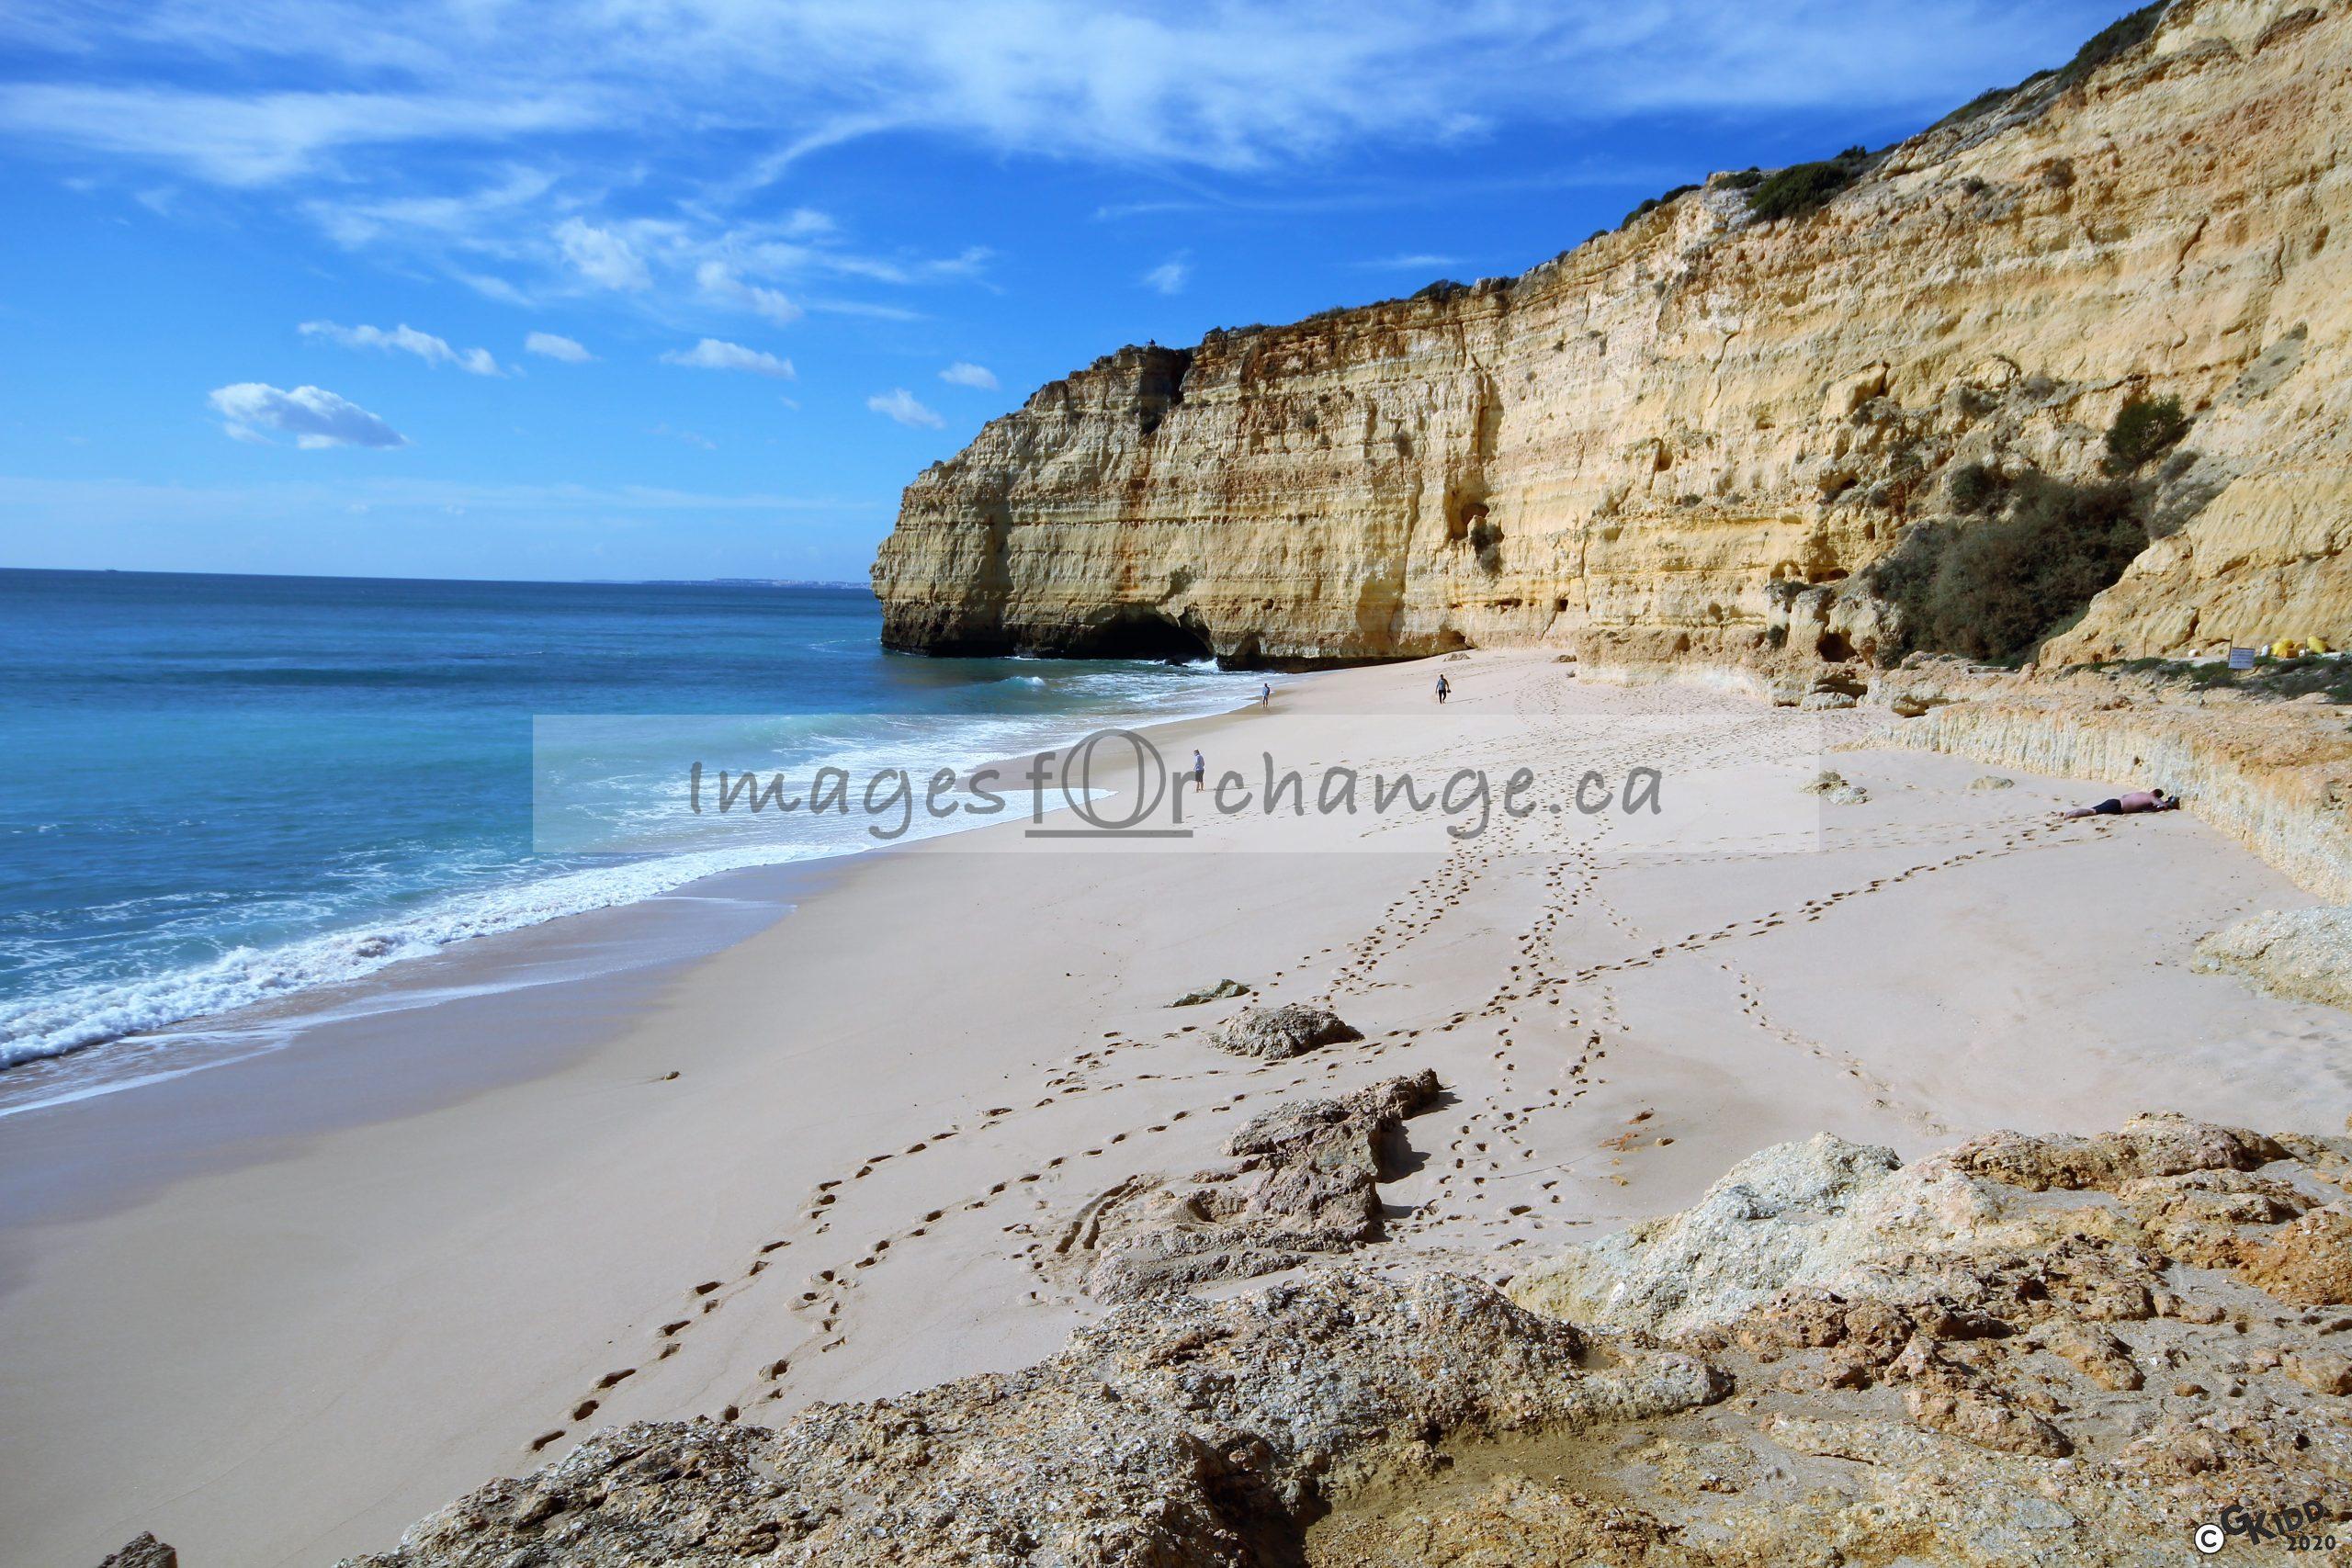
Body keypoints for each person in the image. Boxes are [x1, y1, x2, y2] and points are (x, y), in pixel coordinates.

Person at [2061, 786, 2180, 819]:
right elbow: (2164, 806)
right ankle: (2068, 815)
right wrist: (2168, 803)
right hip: (2118, 807)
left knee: (2091, 810)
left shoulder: (2140, 793)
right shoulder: (2151, 798)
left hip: (2115, 801)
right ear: (2157, 795)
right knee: (2091, 812)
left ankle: (2068, 813)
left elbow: (2125, 796)